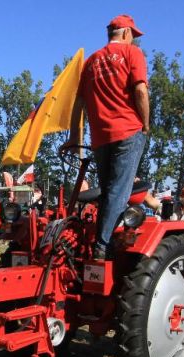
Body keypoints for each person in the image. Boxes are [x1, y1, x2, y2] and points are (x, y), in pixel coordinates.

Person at [61, 14, 149, 260]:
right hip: (128, 130)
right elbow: (140, 90)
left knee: (108, 191)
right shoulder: (133, 54)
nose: (134, 39)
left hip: (100, 137)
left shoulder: (91, 61)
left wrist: (74, 136)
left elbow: (78, 103)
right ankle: (103, 246)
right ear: (126, 32)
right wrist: (146, 124)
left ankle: (100, 240)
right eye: (134, 35)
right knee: (119, 192)